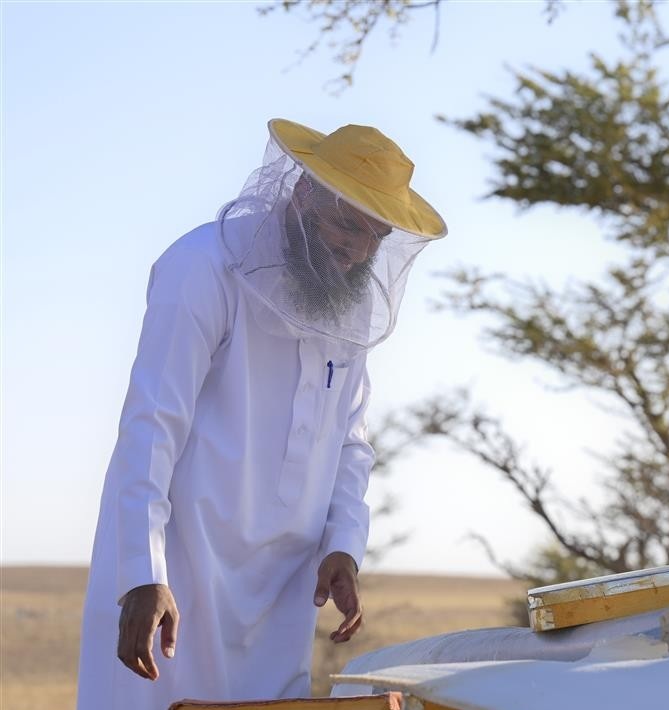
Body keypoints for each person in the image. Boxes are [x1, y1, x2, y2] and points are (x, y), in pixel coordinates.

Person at [76, 118, 448, 709]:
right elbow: (152, 422)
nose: (356, 249)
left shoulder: (342, 301)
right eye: (347, 223)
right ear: (302, 193)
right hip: (181, 575)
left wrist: (344, 545)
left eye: (375, 237)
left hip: (283, 594)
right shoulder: (201, 265)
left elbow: (351, 441)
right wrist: (141, 573)